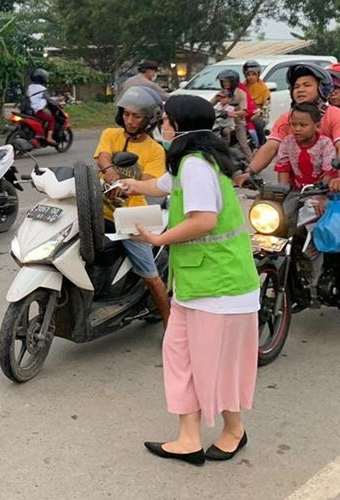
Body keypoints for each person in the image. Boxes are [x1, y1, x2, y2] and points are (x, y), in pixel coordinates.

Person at [121, 95, 260, 466]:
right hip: (197, 284)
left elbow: (204, 220)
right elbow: (163, 186)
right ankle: (188, 438)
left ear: (179, 125)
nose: (161, 125)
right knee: (180, 355)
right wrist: (129, 186)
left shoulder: (197, 166)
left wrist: (157, 239)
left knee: (215, 363)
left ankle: (233, 430)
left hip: (222, 286)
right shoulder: (189, 163)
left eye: (165, 120)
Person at [95, 85, 170, 326]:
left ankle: (171, 325)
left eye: (136, 116)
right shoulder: (110, 134)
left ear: (148, 119)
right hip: (100, 208)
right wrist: (111, 175)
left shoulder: (155, 150)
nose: (130, 120)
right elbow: (103, 156)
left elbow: (149, 182)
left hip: (134, 216)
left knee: (150, 276)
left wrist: (128, 186)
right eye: (126, 114)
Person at [238, 63, 340, 190]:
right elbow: (270, 147)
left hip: (331, 190)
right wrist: (249, 172)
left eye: (307, 85)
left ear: (321, 89)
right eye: (296, 86)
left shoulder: (334, 115)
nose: (300, 89)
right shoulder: (286, 119)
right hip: (296, 193)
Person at [274, 103, 337, 192]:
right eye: (293, 124)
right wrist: (281, 192)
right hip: (296, 192)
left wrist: (320, 194)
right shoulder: (287, 142)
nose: (297, 129)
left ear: (317, 126)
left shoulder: (325, 144)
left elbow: (329, 172)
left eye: (303, 125)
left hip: (322, 191)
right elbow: (283, 169)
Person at [209, 69, 253, 161]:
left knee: (243, 144)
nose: (225, 83)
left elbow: (244, 110)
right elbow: (210, 104)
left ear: (233, 81)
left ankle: (253, 166)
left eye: (227, 81)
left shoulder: (241, 93)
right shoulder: (222, 93)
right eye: (223, 81)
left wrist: (234, 113)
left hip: (238, 123)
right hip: (222, 122)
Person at [26, 68, 57, 145]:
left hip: (29, 110)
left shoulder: (30, 87)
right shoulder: (42, 89)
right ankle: (49, 138)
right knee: (51, 120)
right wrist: (57, 104)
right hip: (37, 110)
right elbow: (49, 100)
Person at [243, 60, 270, 146]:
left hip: (260, 113)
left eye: (253, 74)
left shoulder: (263, 88)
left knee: (258, 123)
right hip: (245, 112)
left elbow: (266, 106)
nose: (251, 77)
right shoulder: (242, 87)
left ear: (258, 74)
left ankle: (261, 145)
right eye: (248, 75)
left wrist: (257, 114)